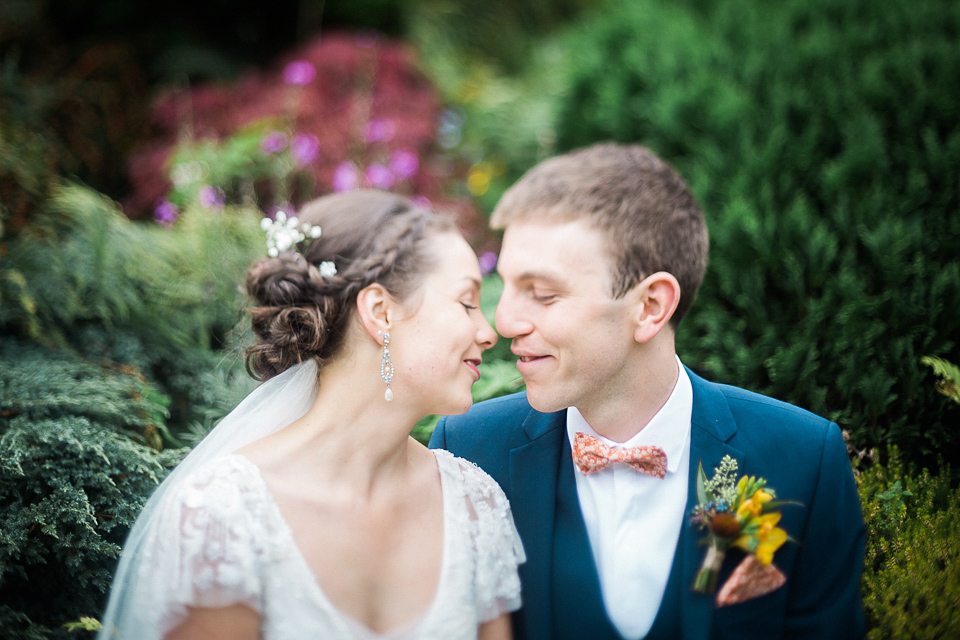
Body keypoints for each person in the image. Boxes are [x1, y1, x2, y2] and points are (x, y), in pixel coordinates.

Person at [429, 143, 866, 640]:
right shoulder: (467, 453)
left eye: (543, 293)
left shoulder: (804, 460)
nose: (503, 319)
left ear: (650, 307)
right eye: (504, 285)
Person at [99, 190, 525, 640]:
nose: (488, 331)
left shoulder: (475, 506)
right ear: (380, 312)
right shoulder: (225, 513)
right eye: (466, 302)